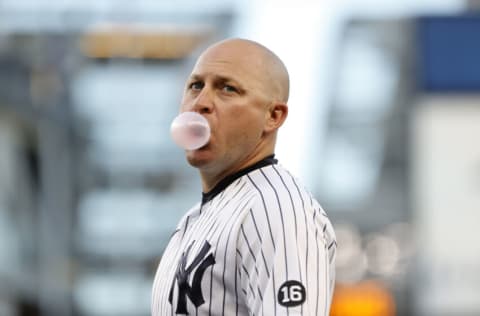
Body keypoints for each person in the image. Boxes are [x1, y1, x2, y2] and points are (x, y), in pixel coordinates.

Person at [151, 38, 336, 316]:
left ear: (273, 116)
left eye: (227, 88)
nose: (200, 103)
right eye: (196, 85)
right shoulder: (195, 218)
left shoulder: (277, 208)